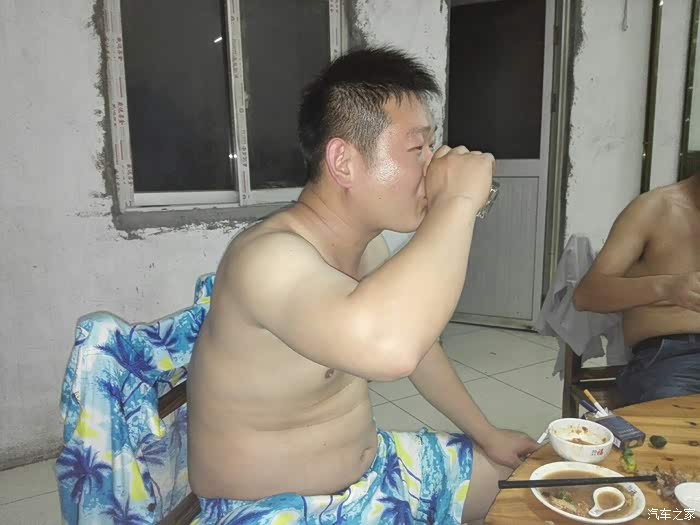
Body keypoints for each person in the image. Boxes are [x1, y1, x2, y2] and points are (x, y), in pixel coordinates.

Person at [187, 47, 538, 525]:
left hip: (374, 477)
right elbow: (390, 350)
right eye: (417, 149)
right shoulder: (266, 259)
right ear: (344, 162)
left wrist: (487, 433)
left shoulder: (368, 248)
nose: (433, 165)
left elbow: (420, 349)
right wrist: (456, 202)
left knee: (532, 489)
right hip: (273, 511)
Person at [574, 174, 700, 405]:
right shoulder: (655, 208)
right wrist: (667, 287)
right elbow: (586, 295)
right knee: (680, 421)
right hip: (674, 356)